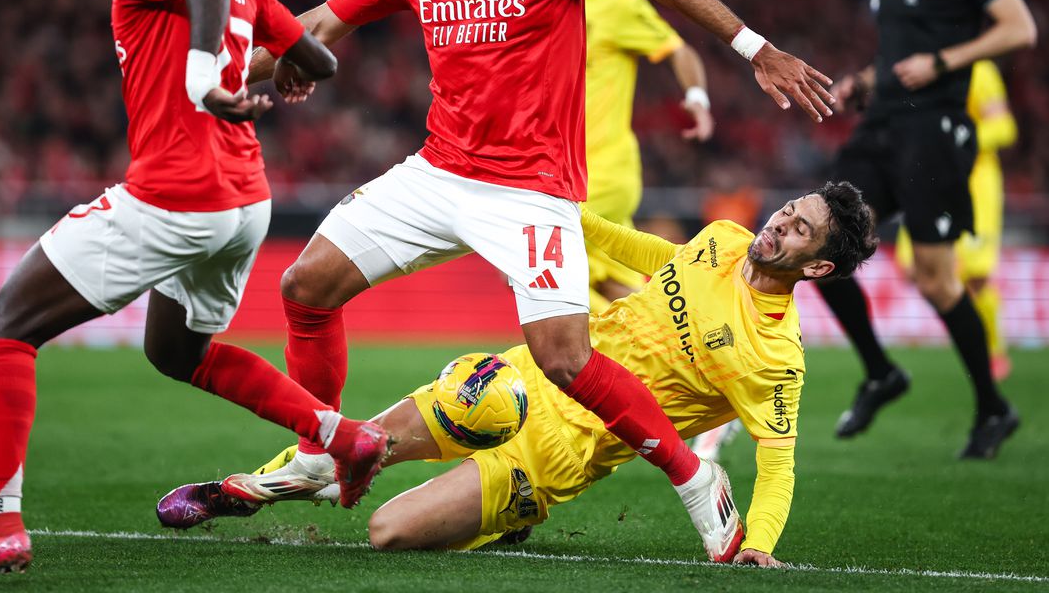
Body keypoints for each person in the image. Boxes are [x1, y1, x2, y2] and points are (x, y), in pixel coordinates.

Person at [252, 0, 835, 559]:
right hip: (437, 170)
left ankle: (693, 479)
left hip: (529, 189)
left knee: (564, 357)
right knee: (305, 284)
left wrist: (753, 48)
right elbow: (320, 24)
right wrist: (222, 81)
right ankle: (320, 446)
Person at [0, 0, 390, 584]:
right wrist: (284, 68)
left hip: (177, 194)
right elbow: (318, 58)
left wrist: (204, 78)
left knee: (6, 326)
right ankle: (339, 435)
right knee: (176, 350)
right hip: (242, 203)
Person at [158, 182, 878, 567]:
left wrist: (758, 545)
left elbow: (778, 463)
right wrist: (569, 216)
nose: (778, 222)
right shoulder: (720, 241)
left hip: (561, 452)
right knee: (368, 440)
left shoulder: (773, 358)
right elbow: (654, 255)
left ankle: (503, 519)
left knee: (387, 532)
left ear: (816, 266)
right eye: (788, 208)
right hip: (534, 373)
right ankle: (246, 489)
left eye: (798, 229)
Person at [819, 0, 1036, 457]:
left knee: (938, 280)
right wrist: (865, 80)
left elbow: (1020, 28)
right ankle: (881, 372)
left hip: (935, 129)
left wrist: (945, 61)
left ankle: (992, 410)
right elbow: (898, 53)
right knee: (821, 238)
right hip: (881, 123)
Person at [547, 0, 715, 313]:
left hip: (599, 169)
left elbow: (679, 51)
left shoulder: (615, 2)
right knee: (614, 284)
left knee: (534, 252)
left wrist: (696, 98)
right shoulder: (537, 7)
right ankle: (682, 342)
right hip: (562, 169)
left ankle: (584, 360)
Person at [893, 59, 1018, 381]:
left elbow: (1004, 127)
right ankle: (968, 335)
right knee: (914, 267)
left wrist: (958, 136)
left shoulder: (979, 70)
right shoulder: (914, 65)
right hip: (930, 179)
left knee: (975, 277)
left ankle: (992, 351)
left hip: (974, 182)